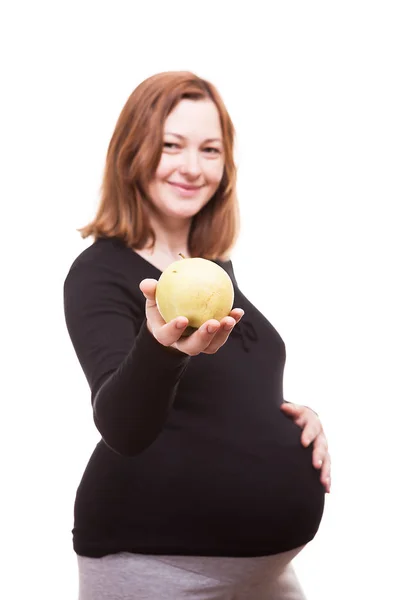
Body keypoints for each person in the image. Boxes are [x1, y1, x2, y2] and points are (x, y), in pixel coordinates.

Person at [64, 71, 331, 600]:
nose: (192, 167)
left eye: (210, 149)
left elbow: (221, 389)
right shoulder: (99, 273)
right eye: (171, 146)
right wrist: (160, 347)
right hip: (157, 567)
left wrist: (289, 414)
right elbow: (123, 425)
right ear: (132, 150)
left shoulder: (212, 267)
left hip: (266, 571)